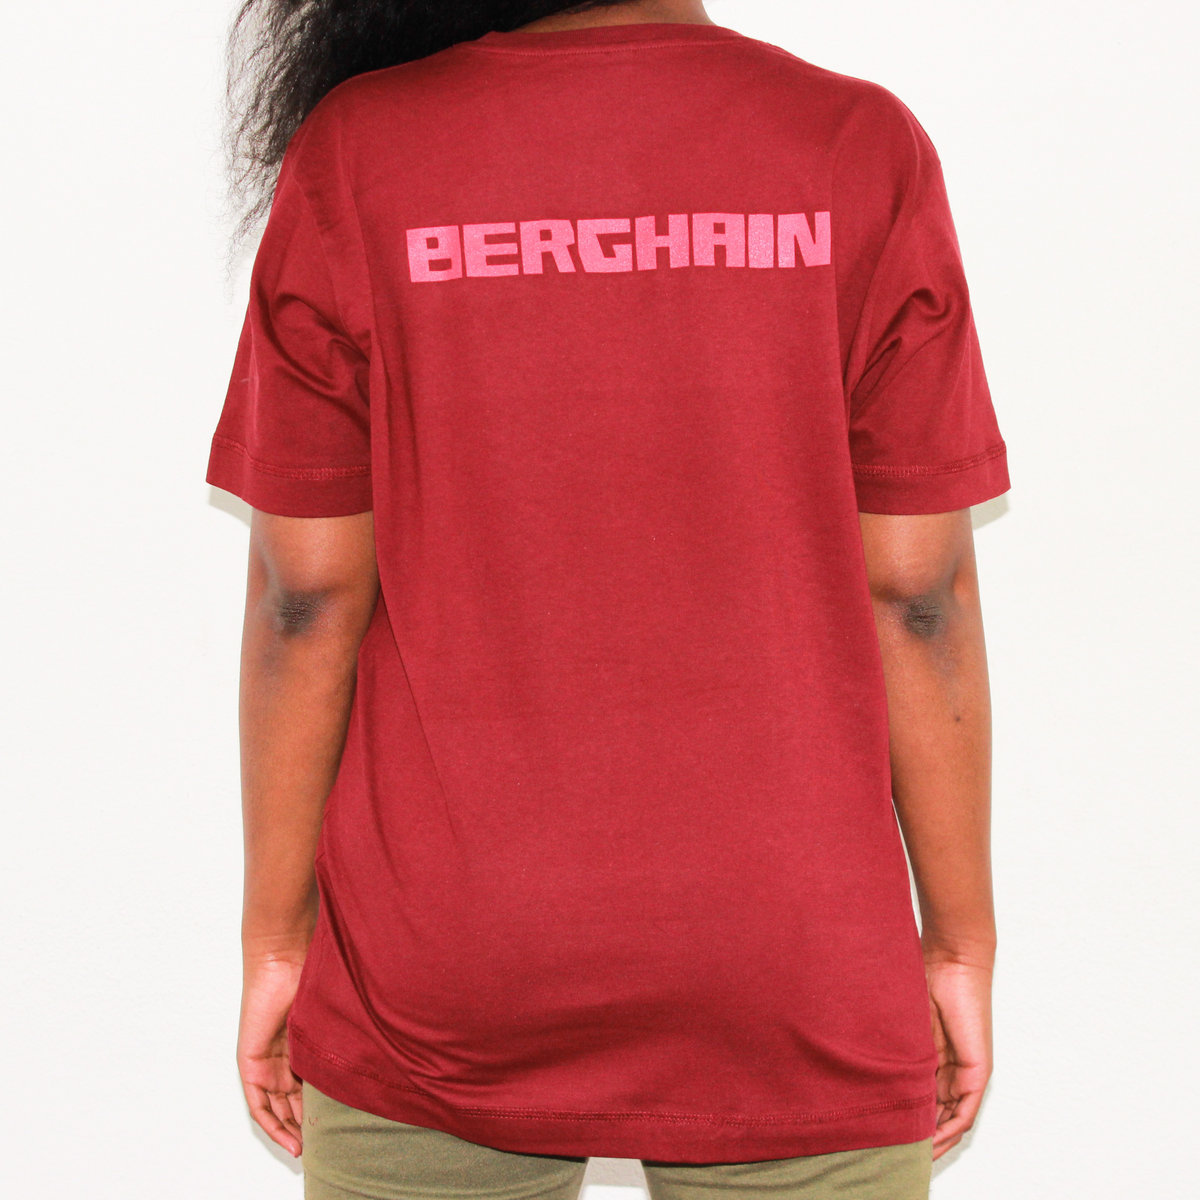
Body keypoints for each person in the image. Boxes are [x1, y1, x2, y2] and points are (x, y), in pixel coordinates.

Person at [205, 1, 1008, 1196]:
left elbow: (304, 596)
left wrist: (278, 940)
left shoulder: (362, 149)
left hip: (440, 963)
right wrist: (959, 942)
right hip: (790, 956)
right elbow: (918, 591)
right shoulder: (853, 146)